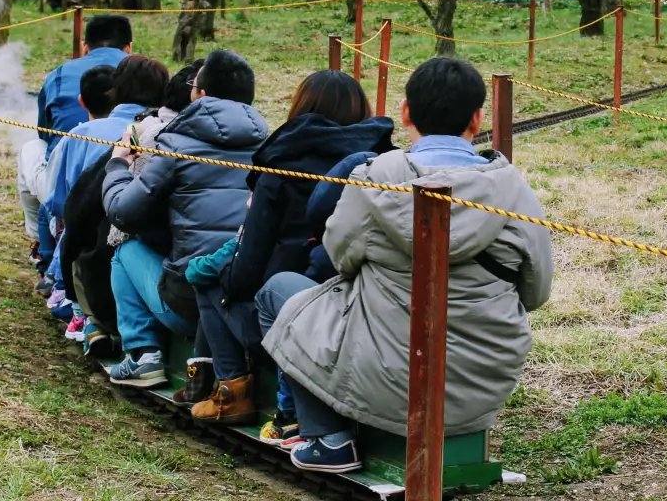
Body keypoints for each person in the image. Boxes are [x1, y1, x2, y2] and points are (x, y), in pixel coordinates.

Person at [259, 57, 554, 473]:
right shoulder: (515, 190)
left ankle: (327, 436)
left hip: (384, 380)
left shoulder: (375, 177)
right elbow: (537, 292)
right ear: (477, 118)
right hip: (483, 385)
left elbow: (340, 258)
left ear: (405, 113)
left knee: (280, 292)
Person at [187, 71, 394, 432]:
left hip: (283, 317)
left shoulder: (280, 165)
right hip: (367, 314)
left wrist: (223, 276)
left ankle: (232, 388)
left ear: (300, 106)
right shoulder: (380, 164)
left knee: (212, 282)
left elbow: (247, 269)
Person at [102, 50, 268, 387]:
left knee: (124, 250)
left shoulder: (175, 144)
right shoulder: (268, 144)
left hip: (188, 303)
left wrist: (117, 164)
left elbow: (123, 213)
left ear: (200, 94)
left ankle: (142, 354)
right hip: (247, 297)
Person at [63, 62, 202, 358]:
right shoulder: (258, 147)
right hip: (235, 295)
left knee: (123, 247)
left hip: (178, 293)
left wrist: (117, 165)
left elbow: (101, 213)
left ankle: (139, 348)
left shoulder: (148, 139)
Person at [49, 56, 169, 340]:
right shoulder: (176, 135)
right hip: (179, 270)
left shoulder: (119, 137)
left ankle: (104, 327)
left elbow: (67, 209)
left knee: (117, 245)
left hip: (116, 273)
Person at [19, 15, 133, 288]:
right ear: (129, 48)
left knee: (33, 151)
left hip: (70, 189)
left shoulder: (59, 75)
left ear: (84, 45)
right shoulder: (141, 75)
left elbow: (44, 134)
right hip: (131, 181)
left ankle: (41, 246)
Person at [26, 64, 115, 307]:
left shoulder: (77, 136)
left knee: (50, 208)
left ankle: (47, 266)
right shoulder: (140, 130)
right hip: (119, 219)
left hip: (82, 225)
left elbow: (57, 201)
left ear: (81, 102)